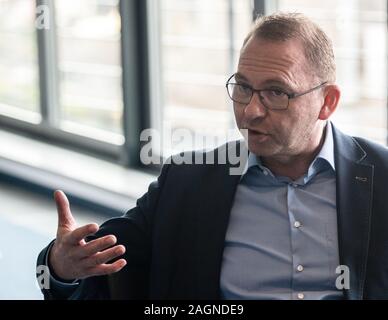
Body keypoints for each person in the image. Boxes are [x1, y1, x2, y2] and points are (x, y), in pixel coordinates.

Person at [36, 12, 388, 300]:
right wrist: (61, 266)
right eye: (243, 88)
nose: (250, 111)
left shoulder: (382, 178)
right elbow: (96, 266)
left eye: (276, 92)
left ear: (327, 102)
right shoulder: (188, 181)